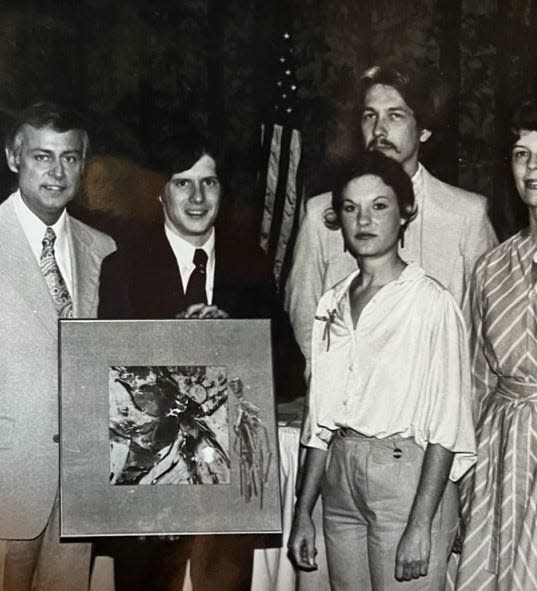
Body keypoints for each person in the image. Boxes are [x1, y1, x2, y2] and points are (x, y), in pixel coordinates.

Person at [98, 131, 304, 591]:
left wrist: (233, 338)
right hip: (149, 486)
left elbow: (291, 372)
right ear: (160, 191)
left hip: (228, 484)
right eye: (182, 183)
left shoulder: (249, 264)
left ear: (222, 192)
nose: (196, 197)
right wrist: (174, 343)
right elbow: (106, 380)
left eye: (208, 183)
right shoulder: (123, 266)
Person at [288, 152, 476, 591]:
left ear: (405, 212)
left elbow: (447, 426)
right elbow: (319, 421)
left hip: (406, 481)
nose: (364, 220)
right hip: (340, 478)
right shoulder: (331, 302)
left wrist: (421, 525)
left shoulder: (430, 302)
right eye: (351, 208)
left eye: (379, 205)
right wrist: (303, 513)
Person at [285, 62, 496, 374]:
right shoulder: (321, 213)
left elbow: (486, 321)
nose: (379, 130)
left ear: (423, 129)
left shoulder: (466, 215)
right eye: (370, 116)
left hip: (434, 401)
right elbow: (302, 311)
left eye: (395, 116)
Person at [456, 92, 537, 590]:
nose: (532, 166)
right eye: (520, 153)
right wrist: (469, 473)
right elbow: (475, 378)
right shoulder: (492, 266)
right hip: (503, 456)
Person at [0, 102, 116, 591]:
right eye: (41, 157)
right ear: (13, 158)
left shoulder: (103, 249)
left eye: (69, 158)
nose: (56, 171)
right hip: (8, 483)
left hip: (79, 490)